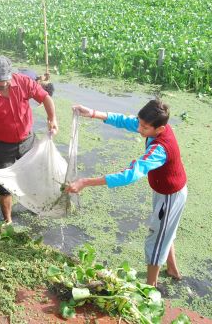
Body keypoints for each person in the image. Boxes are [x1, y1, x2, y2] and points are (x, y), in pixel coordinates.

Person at [65, 99, 187, 288]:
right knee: (164, 231)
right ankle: (172, 270)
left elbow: (130, 175)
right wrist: (93, 113)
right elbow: (125, 120)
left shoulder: (160, 149)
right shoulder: (152, 126)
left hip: (170, 196)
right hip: (164, 191)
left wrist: (85, 182)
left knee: (156, 238)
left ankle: (149, 288)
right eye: (140, 123)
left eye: (144, 128)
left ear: (160, 129)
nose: (139, 129)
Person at [0, 56, 59, 224]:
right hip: (2, 147)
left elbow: (45, 97)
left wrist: (52, 118)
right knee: (4, 187)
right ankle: (8, 221)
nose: (3, 86)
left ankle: (37, 212)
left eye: (5, 81)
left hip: (27, 140)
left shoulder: (23, 82)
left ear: (10, 74)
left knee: (36, 176)